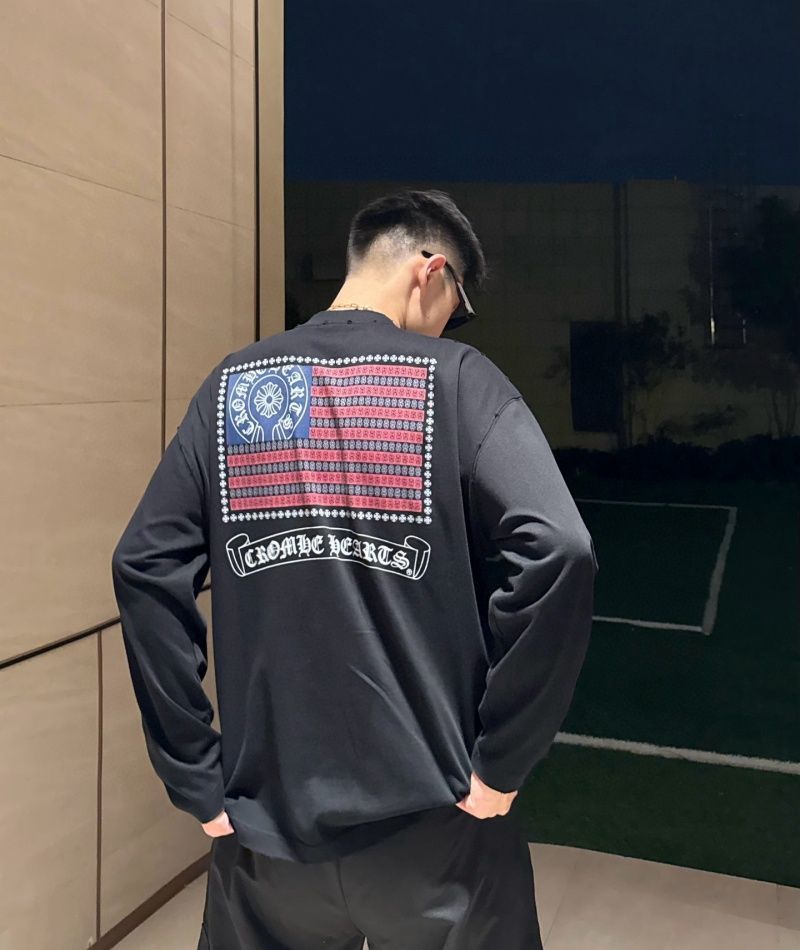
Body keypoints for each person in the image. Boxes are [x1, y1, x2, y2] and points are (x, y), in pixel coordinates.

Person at [111, 189, 599, 949]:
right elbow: (561, 549)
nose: (448, 328)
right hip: (439, 831)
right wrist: (503, 759)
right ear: (430, 272)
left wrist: (194, 773)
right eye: (457, 308)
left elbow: (143, 565)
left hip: (266, 834)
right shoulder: (458, 379)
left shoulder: (234, 386)